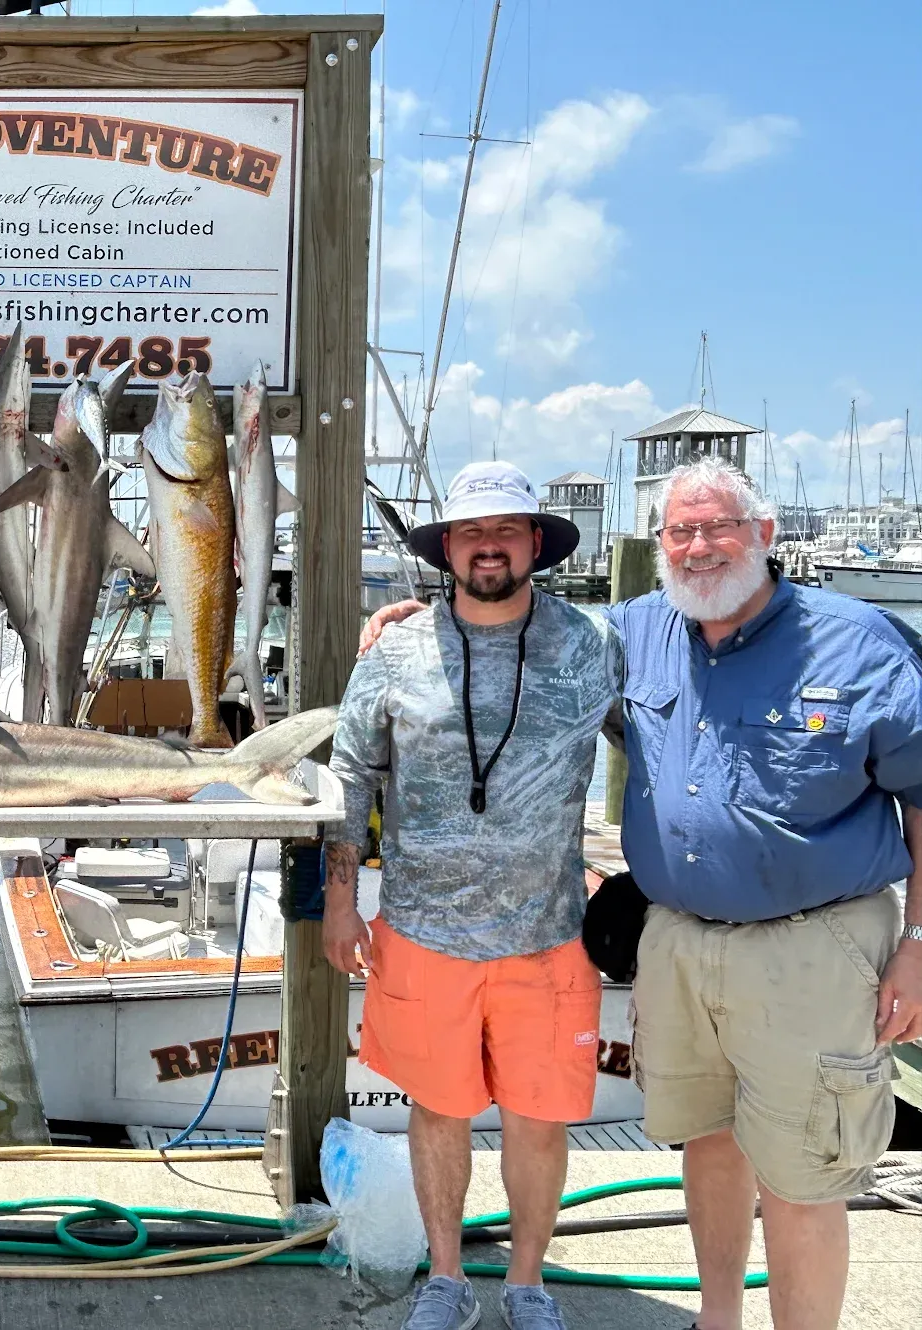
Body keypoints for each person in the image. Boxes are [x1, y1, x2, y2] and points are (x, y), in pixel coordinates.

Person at [358, 457, 922, 1330]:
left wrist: (919, 944)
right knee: (708, 1144)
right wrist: (411, 626)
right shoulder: (636, 630)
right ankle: (716, 1319)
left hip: (814, 946)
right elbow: (495, 647)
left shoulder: (857, 639)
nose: (699, 549)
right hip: (678, 941)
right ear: (657, 545)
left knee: (805, 1173)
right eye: (679, 532)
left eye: (719, 528)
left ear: (765, 534)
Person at [323, 461, 623, 1330]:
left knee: (539, 1119)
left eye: (504, 531)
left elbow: (665, 739)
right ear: (445, 547)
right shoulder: (393, 648)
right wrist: (340, 902)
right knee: (438, 1110)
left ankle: (527, 1285)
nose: (487, 546)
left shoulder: (596, 644)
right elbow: (349, 778)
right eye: (468, 532)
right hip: (420, 931)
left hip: (550, 934)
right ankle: (445, 1279)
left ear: (537, 542)